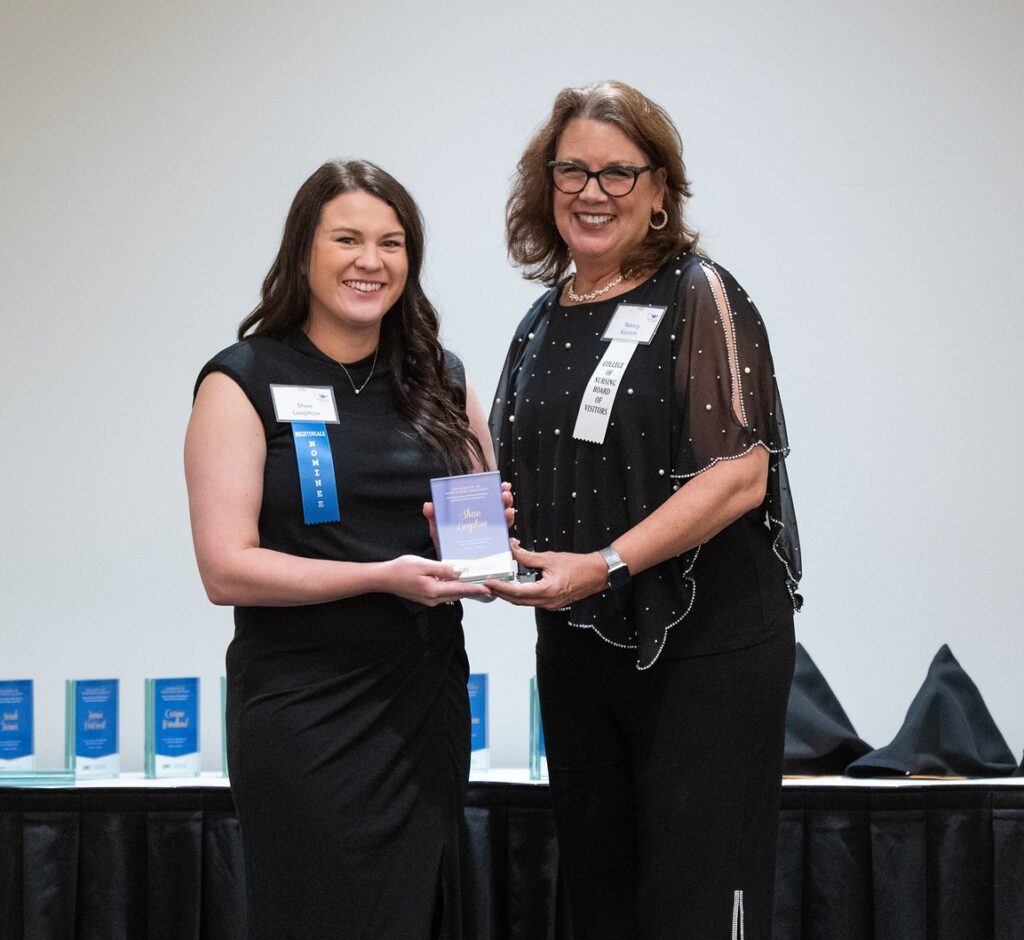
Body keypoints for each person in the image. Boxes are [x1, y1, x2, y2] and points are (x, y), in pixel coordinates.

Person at [488, 82, 802, 939]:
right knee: (604, 900)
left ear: (661, 190)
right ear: (545, 183)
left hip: (704, 647)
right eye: (573, 170)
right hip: (580, 645)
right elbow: (520, 471)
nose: (593, 192)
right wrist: (490, 530)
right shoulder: (540, 321)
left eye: (620, 173)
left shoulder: (700, 294)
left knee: (699, 902)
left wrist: (608, 563)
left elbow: (740, 475)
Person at [184, 159, 501, 939]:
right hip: (303, 712)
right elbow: (226, 567)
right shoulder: (243, 379)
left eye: (391, 243)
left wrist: (477, 545)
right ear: (303, 254)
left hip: (421, 704)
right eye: (348, 239)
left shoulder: (441, 379)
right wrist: (381, 577)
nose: (371, 260)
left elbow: (486, 540)